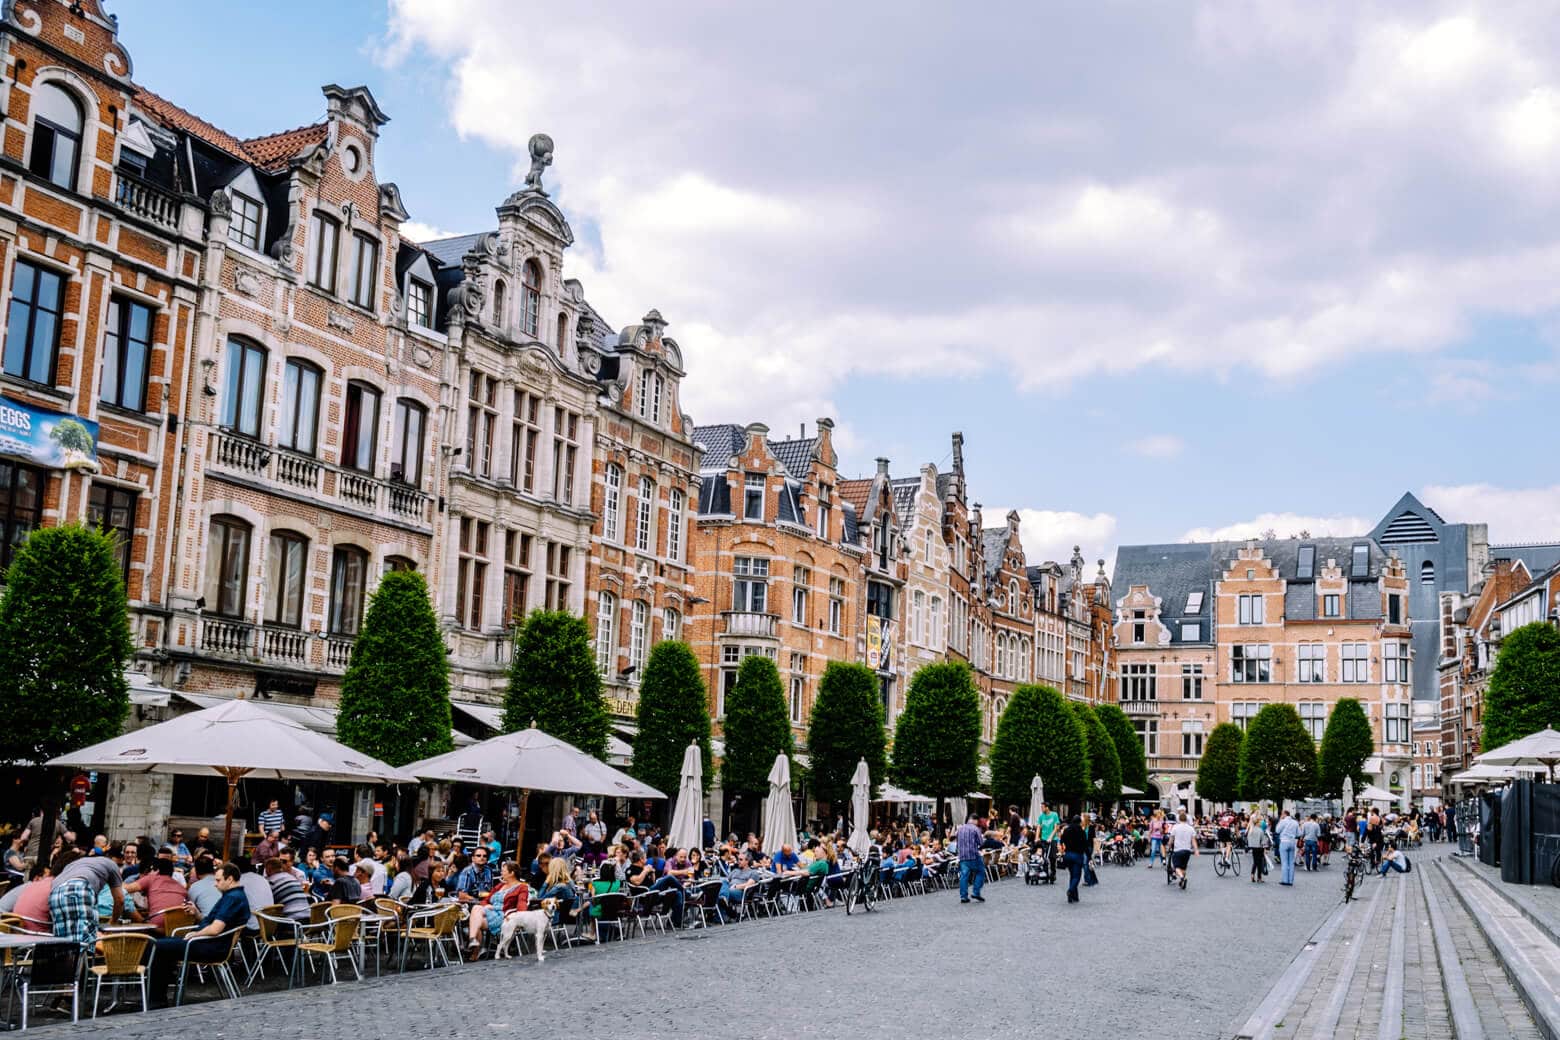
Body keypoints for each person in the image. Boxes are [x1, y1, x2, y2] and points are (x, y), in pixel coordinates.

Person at [148, 862, 250, 1008]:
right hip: (210, 943)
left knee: (157, 945)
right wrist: (197, 913)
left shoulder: (232, 898)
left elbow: (215, 929)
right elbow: (213, 924)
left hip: (212, 947)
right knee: (162, 944)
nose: (215, 884)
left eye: (218, 880)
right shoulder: (234, 896)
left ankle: (155, 1000)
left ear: (230, 879)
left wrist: (195, 934)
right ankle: (157, 997)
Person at [124, 858, 188, 930]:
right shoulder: (181, 888)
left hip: (156, 928)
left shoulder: (151, 878)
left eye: (152, 869)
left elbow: (124, 889)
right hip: (180, 929)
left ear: (157, 870)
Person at [1058, 814, 1090, 903]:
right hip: (1077, 856)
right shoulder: (1081, 832)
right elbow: (1085, 846)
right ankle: (1070, 890)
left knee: (1072, 875)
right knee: (1076, 876)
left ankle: (1074, 896)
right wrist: (1089, 857)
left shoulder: (1067, 830)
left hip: (1068, 855)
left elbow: (1061, 841)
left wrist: (1063, 850)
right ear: (1079, 822)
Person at [955, 814, 985, 904]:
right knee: (981, 871)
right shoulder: (976, 829)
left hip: (962, 856)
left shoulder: (959, 829)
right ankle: (976, 892)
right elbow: (981, 843)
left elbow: (957, 842)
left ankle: (963, 897)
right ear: (975, 820)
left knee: (964, 876)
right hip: (973, 855)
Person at [1169, 811, 1198, 890]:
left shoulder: (1175, 827)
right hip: (1187, 850)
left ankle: (1182, 878)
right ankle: (1182, 882)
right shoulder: (1190, 828)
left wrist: (1169, 845)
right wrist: (1196, 850)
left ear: (1178, 819)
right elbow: (1193, 840)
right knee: (1183, 868)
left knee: (1176, 867)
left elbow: (1171, 838)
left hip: (1178, 850)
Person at [1275, 809, 1300, 886]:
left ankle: (1285, 880)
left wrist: (1280, 820)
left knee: (1284, 862)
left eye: (1281, 814)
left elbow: (1277, 830)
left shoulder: (1283, 821)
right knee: (1291, 862)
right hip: (1292, 842)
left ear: (1284, 814)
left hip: (1284, 842)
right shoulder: (1295, 822)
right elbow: (1299, 833)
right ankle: (1290, 881)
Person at [1246, 814, 1270, 884]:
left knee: (1255, 862)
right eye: (1260, 822)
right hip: (1260, 847)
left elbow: (1249, 840)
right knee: (1259, 863)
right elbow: (1263, 841)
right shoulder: (1260, 831)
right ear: (1257, 823)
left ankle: (1252, 874)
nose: (1260, 823)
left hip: (1253, 848)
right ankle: (1259, 878)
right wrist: (1265, 849)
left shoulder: (1251, 830)